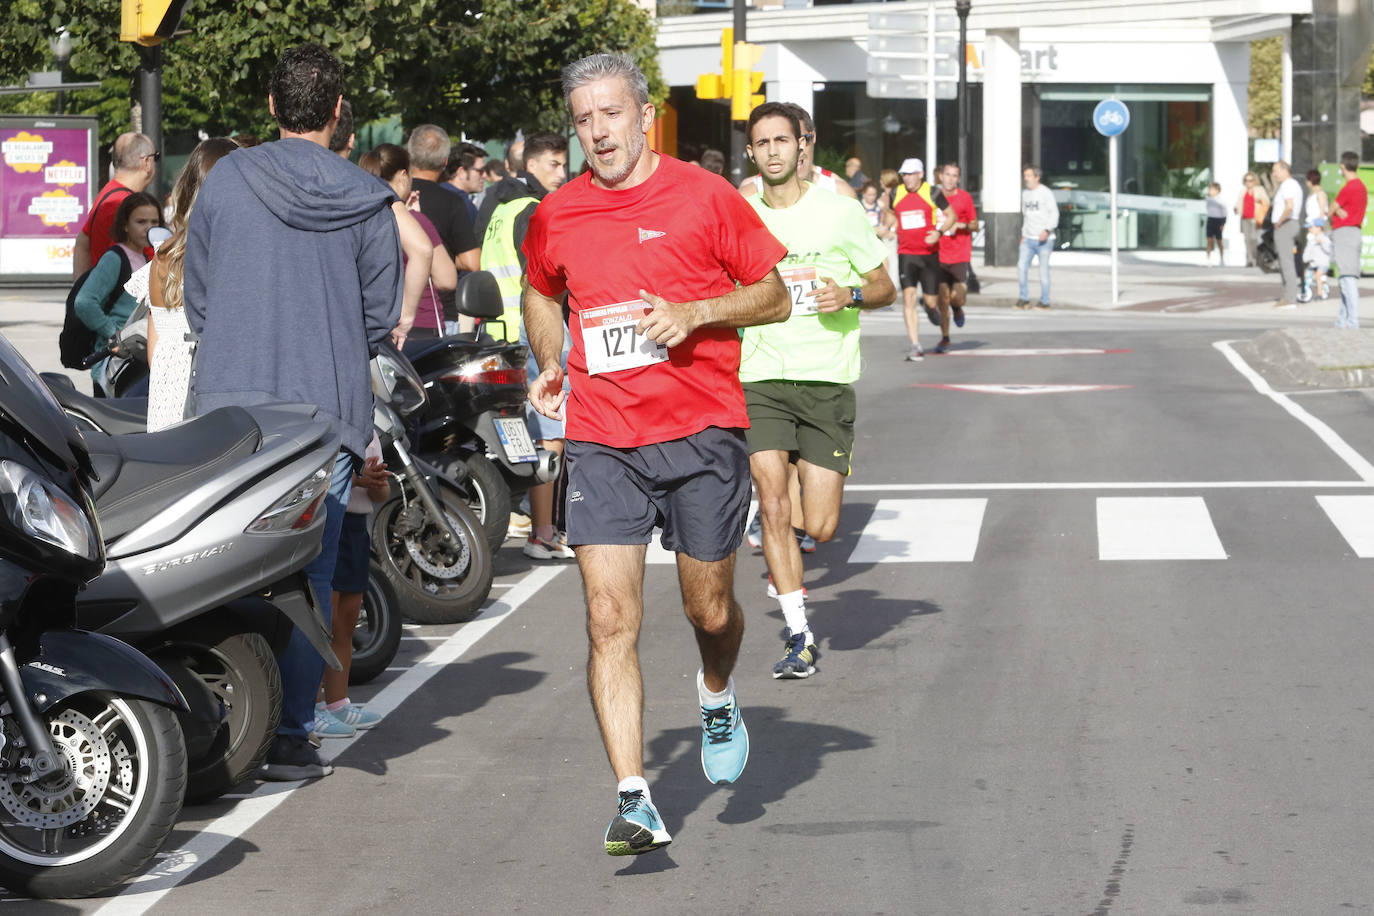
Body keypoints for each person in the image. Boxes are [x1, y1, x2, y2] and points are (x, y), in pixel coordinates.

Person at [522, 52, 788, 856]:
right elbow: (542, 289)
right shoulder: (558, 213)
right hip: (603, 438)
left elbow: (773, 293)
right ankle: (633, 797)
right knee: (609, 619)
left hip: (702, 430)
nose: (597, 132)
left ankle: (716, 690)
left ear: (644, 114)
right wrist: (550, 358)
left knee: (708, 609)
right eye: (583, 120)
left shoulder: (705, 196)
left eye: (610, 113)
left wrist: (697, 312)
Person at [185, 42, 403, 782]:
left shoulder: (226, 180)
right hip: (326, 414)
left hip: (230, 410)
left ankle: (218, 718)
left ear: (273, 106)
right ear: (340, 113)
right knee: (307, 574)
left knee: (218, 567)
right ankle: (290, 736)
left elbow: (201, 297)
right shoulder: (368, 199)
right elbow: (378, 320)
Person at [740, 102, 894, 678]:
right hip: (760, 375)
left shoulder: (839, 212)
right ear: (751, 153)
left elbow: (882, 285)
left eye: (784, 139)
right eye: (763, 142)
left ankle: (790, 515)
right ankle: (799, 635)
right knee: (774, 504)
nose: (774, 150)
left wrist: (848, 296)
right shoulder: (738, 214)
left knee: (821, 525)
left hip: (827, 378)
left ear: (802, 145)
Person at [475, 131, 572, 558]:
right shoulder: (534, 210)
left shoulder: (500, 207)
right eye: (553, 163)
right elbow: (547, 279)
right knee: (551, 431)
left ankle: (538, 525)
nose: (562, 172)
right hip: (533, 332)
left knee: (528, 431)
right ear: (529, 165)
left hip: (501, 332)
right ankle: (544, 531)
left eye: (563, 163)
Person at [143, 137, 238, 431]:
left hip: (165, 388)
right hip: (208, 391)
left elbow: (154, 340)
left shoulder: (164, 254)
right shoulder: (227, 253)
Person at [312, 434, 389, 737]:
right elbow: (321, 477)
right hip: (330, 521)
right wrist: (357, 480)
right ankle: (313, 705)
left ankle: (336, 703)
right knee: (324, 620)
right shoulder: (330, 428)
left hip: (357, 530)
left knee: (347, 621)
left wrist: (376, 482)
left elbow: (382, 495)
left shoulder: (370, 437)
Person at [360, 144, 457, 340]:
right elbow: (447, 279)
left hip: (372, 323)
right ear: (404, 176)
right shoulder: (416, 223)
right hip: (418, 327)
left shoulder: (362, 217)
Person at [75, 191, 162, 391]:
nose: (149, 228)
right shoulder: (115, 258)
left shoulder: (147, 259)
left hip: (133, 361)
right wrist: (115, 333)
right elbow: (84, 302)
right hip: (112, 366)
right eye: (140, 222)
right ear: (125, 225)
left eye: (154, 222)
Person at [408, 124, 481, 332]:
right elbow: (472, 262)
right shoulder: (452, 202)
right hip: (440, 313)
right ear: (445, 161)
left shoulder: (393, 197)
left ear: (410, 155)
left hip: (395, 312)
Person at [73, 132, 156, 278]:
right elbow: (149, 263)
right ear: (146, 162)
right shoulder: (126, 204)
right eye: (157, 157)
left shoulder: (108, 194)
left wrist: (80, 290)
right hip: (123, 298)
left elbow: (82, 242)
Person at [883, 157, 940, 361]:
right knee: (908, 297)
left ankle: (931, 306)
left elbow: (950, 215)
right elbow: (891, 214)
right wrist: (887, 225)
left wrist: (939, 232)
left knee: (932, 302)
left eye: (910, 174)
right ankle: (915, 344)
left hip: (929, 254)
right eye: (904, 174)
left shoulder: (933, 192)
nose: (906, 178)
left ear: (920, 174)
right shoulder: (896, 193)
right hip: (906, 253)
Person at [739, 105, 857, 201]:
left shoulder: (839, 192)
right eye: (764, 142)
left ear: (812, 137)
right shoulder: (748, 195)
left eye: (783, 140)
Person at [934, 162, 978, 353]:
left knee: (957, 298)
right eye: (948, 175)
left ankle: (958, 308)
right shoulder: (933, 196)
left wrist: (961, 225)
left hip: (960, 254)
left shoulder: (965, 198)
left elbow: (975, 224)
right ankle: (945, 338)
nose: (950, 179)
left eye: (954, 176)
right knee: (942, 300)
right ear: (941, 176)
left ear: (958, 179)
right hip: (938, 254)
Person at [1329, 150, 1367, 328]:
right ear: (1357, 166)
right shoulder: (1361, 187)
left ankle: (1352, 321)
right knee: (1346, 277)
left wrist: (1335, 210)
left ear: (1342, 166)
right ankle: (1342, 320)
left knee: (1347, 278)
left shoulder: (1349, 187)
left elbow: (1332, 208)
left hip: (1344, 233)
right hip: (1354, 232)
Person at [1017, 164, 1058, 310]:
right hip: (1028, 238)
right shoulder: (1025, 193)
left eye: (1029, 176)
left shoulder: (1045, 193)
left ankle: (1045, 301)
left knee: (1043, 271)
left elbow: (1054, 213)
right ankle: (1024, 299)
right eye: (1025, 176)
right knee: (1021, 267)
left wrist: (1047, 230)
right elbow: (1026, 216)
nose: (1026, 179)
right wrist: (1023, 234)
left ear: (1037, 177)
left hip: (1044, 240)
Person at [1269, 160, 1304, 308]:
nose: (1274, 174)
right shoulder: (1292, 184)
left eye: (1276, 170)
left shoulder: (1288, 185)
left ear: (1285, 170)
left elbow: (1289, 206)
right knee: (1286, 261)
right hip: (1289, 224)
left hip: (1285, 225)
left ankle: (1290, 298)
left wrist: (1279, 221)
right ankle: (1288, 296)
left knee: (1286, 262)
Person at [1234, 172, 1269, 268]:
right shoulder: (1243, 191)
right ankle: (1249, 260)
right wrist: (1236, 208)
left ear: (1254, 181)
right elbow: (1238, 203)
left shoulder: (1259, 189)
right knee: (1247, 240)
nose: (1248, 183)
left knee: (1254, 239)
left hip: (1255, 218)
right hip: (1245, 218)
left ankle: (1256, 259)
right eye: (1246, 180)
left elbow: (1267, 201)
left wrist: (1259, 200)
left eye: (1250, 180)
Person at [1300, 217, 1332, 302]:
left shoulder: (1324, 238)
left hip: (1323, 263)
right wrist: (1305, 258)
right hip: (1314, 263)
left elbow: (1329, 250)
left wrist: (1322, 243)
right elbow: (1308, 250)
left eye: (1311, 228)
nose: (1310, 230)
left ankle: (1319, 293)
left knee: (1318, 275)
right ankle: (1305, 289)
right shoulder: (1311, 240)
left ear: (1319, 228)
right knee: (1306, 273)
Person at [1204, 182, 1226, 267]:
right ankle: (1208, 259)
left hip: (1218, 221)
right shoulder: (1208, 200)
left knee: (1219, 241)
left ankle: (1222, 259)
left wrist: (1223, 223)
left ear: (1217, 191)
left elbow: (1224, 213)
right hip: (1210, 221)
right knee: (1209, 240)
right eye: (1210, 189)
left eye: (1212, 189)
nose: (1210, 191)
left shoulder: (1220, 201)